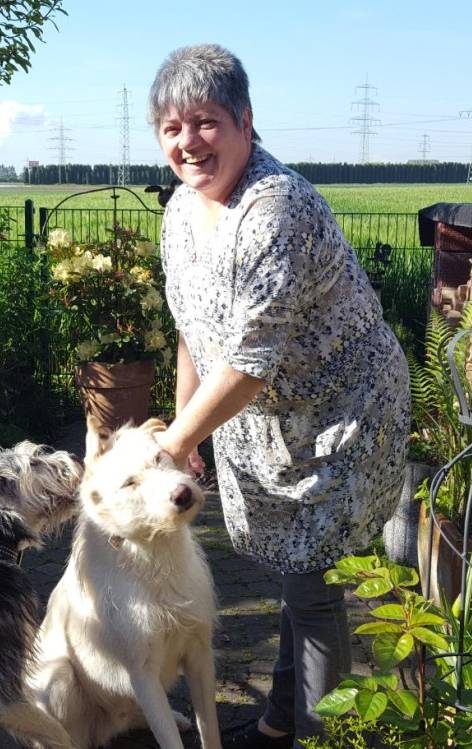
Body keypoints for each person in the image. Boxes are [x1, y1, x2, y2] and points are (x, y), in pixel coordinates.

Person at [146, 44, 410, 748]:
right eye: (171, 128)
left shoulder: (277, 207)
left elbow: (251, 362)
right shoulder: (179, 211)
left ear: (244, 122)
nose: (188, 142)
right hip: (262, 419)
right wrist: (187, 429)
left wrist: (168, 447)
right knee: (295, 572)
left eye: (204, 122)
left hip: (340, 415)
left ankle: (325, 738)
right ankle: (281, 716)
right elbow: (192, 331)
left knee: (314, 589)